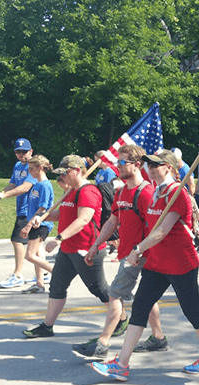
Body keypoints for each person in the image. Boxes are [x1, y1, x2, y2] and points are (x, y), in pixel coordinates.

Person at [91, 149, 199, 381]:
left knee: (192, 311)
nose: (150, 168)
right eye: (148, 165)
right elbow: (150, 228)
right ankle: (121, 364)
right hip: (157, 263)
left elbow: (161, 231)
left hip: (181, 263)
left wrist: (137, 249)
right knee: (140, 308)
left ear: (169, 168)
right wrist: (142, 252)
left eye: (156, 165)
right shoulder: (155, 193)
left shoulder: (177, 193)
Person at [73, 145, 167, 358]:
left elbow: (155, 227)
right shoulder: (122, 192)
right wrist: (96, 245)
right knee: (146, 297)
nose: (118, 167)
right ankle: (159, 338)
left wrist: (140, 251)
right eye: (118, 162)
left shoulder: (146, 193)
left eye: (122, 163)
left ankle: (102, 343)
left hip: (139, 255)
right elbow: (113, 220)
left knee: (115, 294)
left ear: (136, 165)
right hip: (127, 252)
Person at [22, 155, 110, 338]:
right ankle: (47, 326)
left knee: (99, 289)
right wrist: (43, 218)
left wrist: (59, 238)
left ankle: (121, 317)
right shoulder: (71, 191)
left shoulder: (88, 192)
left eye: (66, 172)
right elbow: (63, 214)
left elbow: (84, 219)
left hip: (86, 249)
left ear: (78, 171)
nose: (63, 177)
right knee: (57, 286)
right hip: (68, 250)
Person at [0, 138, 38, 288]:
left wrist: (5, 195)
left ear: (31, 151)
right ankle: (43, 273)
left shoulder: (33, 167)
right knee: (35, 242)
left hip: (29, 209)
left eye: (24, 152)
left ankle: (18, 275)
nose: (21, 155)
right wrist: (1, 193)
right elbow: (13, 183)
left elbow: (25, 187)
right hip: (22, 208)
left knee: (17, 241)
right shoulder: (18, 166)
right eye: (18, 152)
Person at [19, 155, 55, 293]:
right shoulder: (37, 184)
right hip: (35, 223)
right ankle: (39, 284)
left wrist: (28, 225)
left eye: (31, 168)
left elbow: (43, 208)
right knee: (38, 255)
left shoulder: (45, 185)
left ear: (40, 168)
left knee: (29, 255)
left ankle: (57, 273)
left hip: (41, 224)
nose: (29, 171)